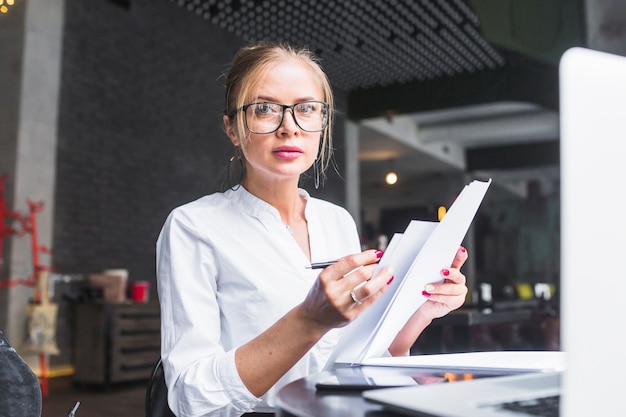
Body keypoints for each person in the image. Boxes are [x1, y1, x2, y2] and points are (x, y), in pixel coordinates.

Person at [156, 41, 468, 417]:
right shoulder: (193, 227)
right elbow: (191, 397)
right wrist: (308, 321)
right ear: (233, 129)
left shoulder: (337, 221)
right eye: (265, 109)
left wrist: (422, 307)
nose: (289, 127)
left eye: (306, 109)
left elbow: (356, 358)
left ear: (322, 124)